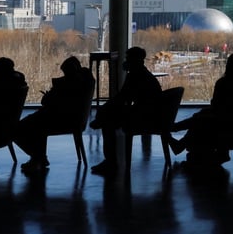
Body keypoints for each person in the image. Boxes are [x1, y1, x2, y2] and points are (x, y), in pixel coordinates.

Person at [13, 56, 95, 174]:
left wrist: (50, 95)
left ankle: (38, 157)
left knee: (19, 129)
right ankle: (38, 157)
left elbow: (49, 102)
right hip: (72, 119)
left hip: (59, 119)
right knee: (33, 126)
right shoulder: (86, 82)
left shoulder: (69, 85)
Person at [89, 46, 162, 176]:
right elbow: (124, 99)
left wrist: (104, 110)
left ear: (135, 60)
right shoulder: (142, 75)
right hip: (151, 115)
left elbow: (122, 98)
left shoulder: (134, 77)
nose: (126, 61)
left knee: (108, 123)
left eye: (128, 58)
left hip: (145, 118)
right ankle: (101, 122)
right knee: (108, 119)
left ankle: (111, 161)